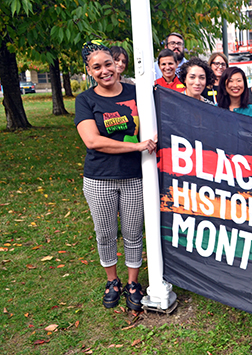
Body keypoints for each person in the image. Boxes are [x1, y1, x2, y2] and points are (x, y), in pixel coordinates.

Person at [75, 41, 157, 311]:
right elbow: (92, 141)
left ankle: (133, 283)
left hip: (134, 175)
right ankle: (112, 281)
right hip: (99, 178)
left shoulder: (138, 93)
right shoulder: (85, 100)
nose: (104, 71)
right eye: (96, 67)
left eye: (108, 64)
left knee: (134, 232)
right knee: (105, 233)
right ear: (89, 71)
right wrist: (136, 146)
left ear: (118, 65)